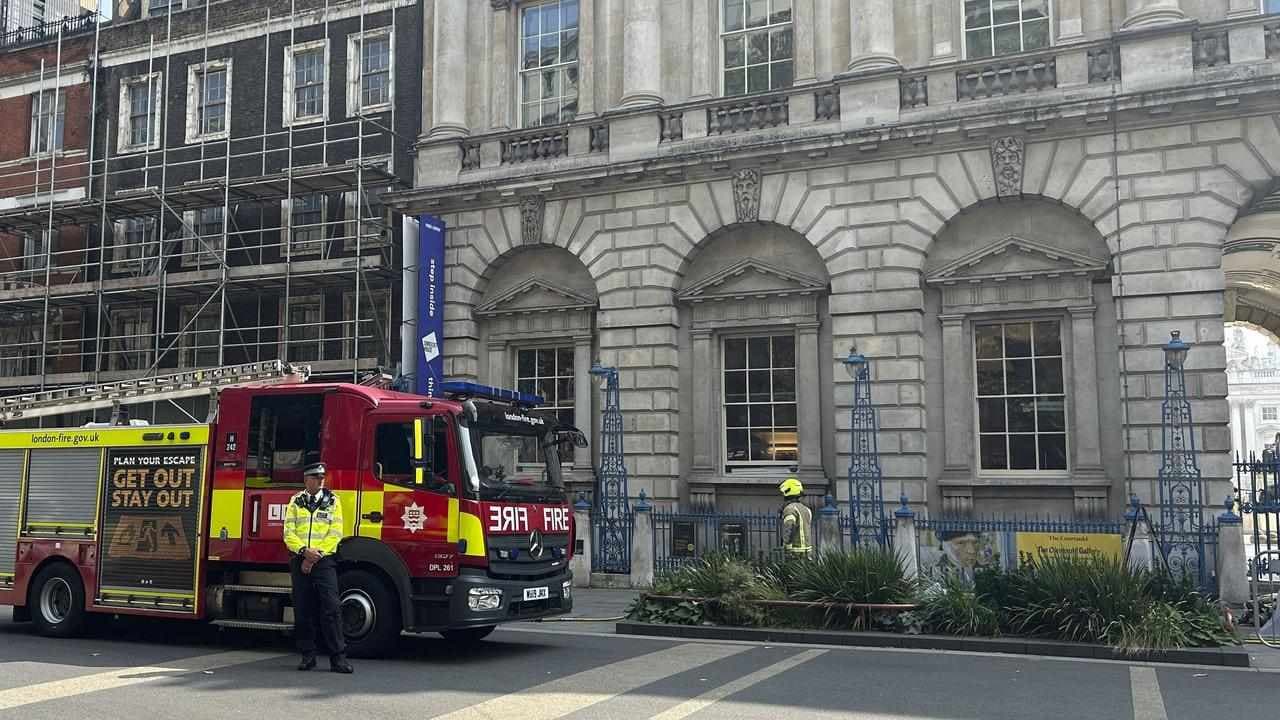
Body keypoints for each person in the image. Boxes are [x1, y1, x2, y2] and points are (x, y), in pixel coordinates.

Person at [284, 463, 353, 674]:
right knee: (303, 609)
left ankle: (338, 658)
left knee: (332, 608)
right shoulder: (296, 501)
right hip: (300, 558)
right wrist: (304, 551)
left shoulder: (332, 501)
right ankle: (308, 656)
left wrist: (314, 556)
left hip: (324, 561)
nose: (320, 480)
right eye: (316, 477)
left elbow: (336, 533)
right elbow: (288, 533)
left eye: (322, 477)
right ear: (306, 480)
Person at [778, 477, 813, 561]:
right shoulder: (806, 509)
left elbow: (789, 529)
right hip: (807, 552)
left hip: (795, 554)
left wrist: (786, 547)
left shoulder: (790, 509)